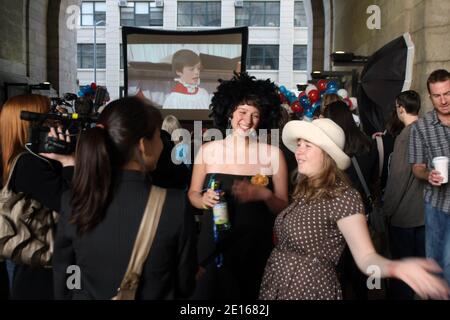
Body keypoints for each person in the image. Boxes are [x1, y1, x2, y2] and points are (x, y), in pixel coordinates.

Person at [259, 118, 449, 300]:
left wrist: (396, 268)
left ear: (328, 155)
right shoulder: (304, 191)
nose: (298, 152)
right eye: (299, 144)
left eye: (307, 146)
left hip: (308, 288)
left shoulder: (343, 197)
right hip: (279, 283)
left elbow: (366, 257)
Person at [52, 97, 197, 299]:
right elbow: (184, 284)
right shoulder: (174, 205)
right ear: (143, 145)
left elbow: (66, 275)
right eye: (158, 137)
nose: (163, 146)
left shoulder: (74, 200)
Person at [188, 72, 289, 299]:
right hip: (213, 245)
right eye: (242, 112)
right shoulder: (208, 151)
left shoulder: (273, 155)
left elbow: (283, 208)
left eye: (255, 114)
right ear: (229, 111)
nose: (248, 120)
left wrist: (264, 195)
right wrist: (202, 199)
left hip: (254, 247)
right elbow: (192, 194)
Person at [0, 94, 74, 300]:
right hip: (39, 266)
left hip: (36, 263)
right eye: (48, 117)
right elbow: (70, 203)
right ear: (28, 124)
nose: (55, 122)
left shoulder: (26, 160)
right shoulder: (29, 164)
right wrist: (69, 162)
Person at [322, 100, 379, 299]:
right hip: (363, 213)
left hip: (336, 215)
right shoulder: (367, 143)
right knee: (361, 267)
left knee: (338, 266)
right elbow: (374, 179)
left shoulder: (333, 149)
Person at [409, 69, 450, 286]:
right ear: (430, 96)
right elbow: (417, 167)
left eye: (448, 93)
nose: (443, 100)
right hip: (436, 204)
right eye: (437, 95)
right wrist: (429, 174)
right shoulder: (421, 128)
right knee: (435, 262)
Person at [383, 90, 425, 299]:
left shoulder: (405, 136)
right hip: (425, 215)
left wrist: (386, 211)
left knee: (403, 275)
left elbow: (398, 179)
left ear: (400, 108)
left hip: (404, 217)